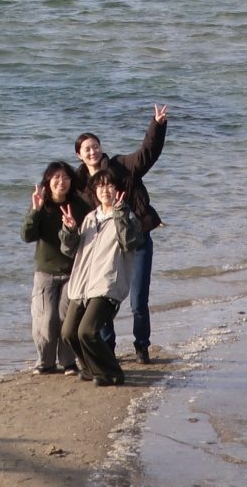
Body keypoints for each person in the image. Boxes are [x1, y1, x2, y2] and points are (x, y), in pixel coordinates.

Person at [71, 103, 167, 363]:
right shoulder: (81, 188)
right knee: (102, 298)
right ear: (79, 155)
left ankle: (142, 347)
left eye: (95, 146)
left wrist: (156, 125)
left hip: (137, 241)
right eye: (86, 149)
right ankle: (107, 347)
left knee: (138, 300)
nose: (92, 151)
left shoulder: (122, 167)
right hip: (106, 249)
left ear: (101, 148)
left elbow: (147, 153)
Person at [59, 171, 143, 386]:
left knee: (87, 331)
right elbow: (69, 250)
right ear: (95, 191)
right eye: (100, 186)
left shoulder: (127, 217)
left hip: (107, 284)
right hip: (81, 285)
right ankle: (90, 368)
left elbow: (130, 243)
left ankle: (113, 373)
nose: (105, 190)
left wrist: (120, 214)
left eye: (110, 186)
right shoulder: (89, 218)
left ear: (118, 190)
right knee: (69, 333)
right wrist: (69, 230)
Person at [22, 160, 90, 374]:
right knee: (46, 319)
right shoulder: (41, 204)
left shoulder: (79, 206)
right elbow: (27, 236)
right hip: (45, 272)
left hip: (72, 272)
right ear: (48, 181)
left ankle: (68, 362)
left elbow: (87, 240)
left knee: (65, 319)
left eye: (66, 177)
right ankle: (45, 362)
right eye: (57, 177)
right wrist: (35, 210)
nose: (62, 182)